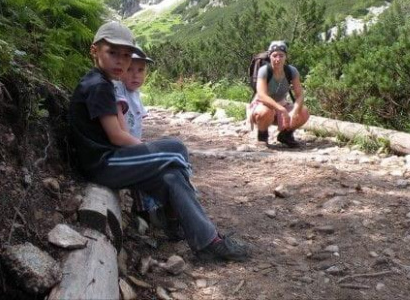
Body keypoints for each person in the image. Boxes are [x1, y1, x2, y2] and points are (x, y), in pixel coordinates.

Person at [68, 21, 250, 261]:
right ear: (94, 51)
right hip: (103, 164)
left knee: (172, 174)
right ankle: (174, 216)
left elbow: (121, 130)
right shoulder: (97, 86)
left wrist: (150, 155)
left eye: (125, 55)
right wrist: (150, 152)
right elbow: (116, 136)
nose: (120, 61)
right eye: (112, 53)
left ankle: (207, 240)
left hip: (110, 162)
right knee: (175, 149)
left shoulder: (103, 83)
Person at [112, 51, 171, 236]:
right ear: (120, 70)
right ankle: (143, 212)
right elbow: (121, 129)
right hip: (123, 147)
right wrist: (139, 146)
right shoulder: (118, 90)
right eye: (130, 69)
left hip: (132, 143)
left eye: (141, 70)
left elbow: (137, 123)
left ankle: (157, 210)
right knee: (143, 176)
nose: (136, 75)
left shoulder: (135, 94)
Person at [249, 40, 310, 148]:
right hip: (262, 105)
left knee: (303, 112)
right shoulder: (264, 70)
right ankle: (262, 137)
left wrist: (295, 111)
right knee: (265, 111)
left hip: (282, 103)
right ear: (270, 56)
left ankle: (285, 135)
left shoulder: (292, 71)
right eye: (275, 55)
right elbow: (261, 95)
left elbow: (299, 95)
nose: (278, 59)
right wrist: (280, 109)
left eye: (281, 55)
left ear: (285, 57)